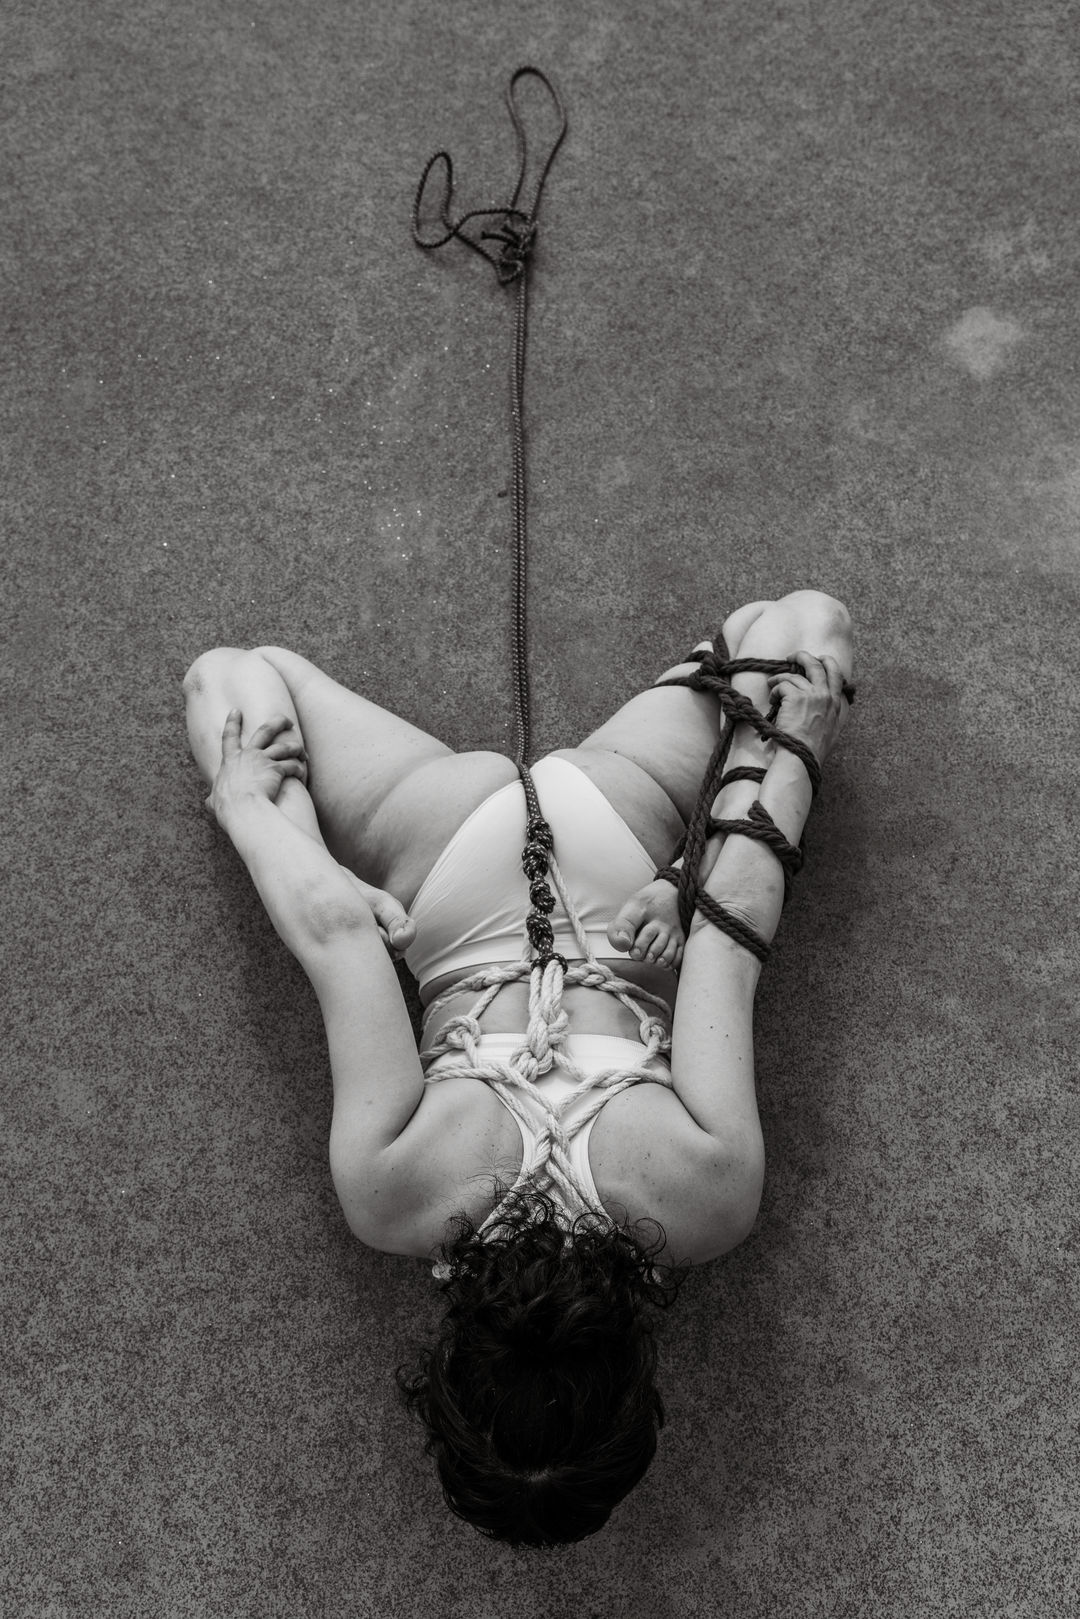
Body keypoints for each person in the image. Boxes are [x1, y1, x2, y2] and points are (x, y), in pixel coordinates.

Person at [182, 588, 853, 1546]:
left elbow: (729, 930)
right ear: (452, 1369)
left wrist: (790, 761)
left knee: (806, 628)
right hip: (442, 849)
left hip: (622, 828)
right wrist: (252, 810)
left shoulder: (708, 1200)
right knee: (233, 676)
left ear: (632, 1379)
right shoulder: (390, 1195)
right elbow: (338, 936)